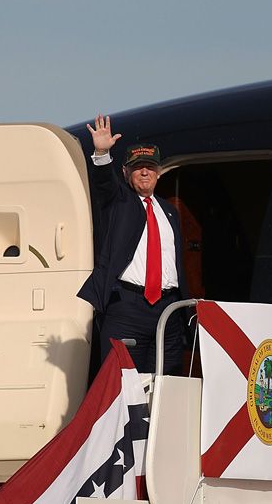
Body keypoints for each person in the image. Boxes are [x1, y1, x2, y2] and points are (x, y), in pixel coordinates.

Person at [77, 114, 188, 373]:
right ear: (126, 172)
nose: (145, 172)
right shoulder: (119, 201)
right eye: (138, 167)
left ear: (159, 172)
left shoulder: (169, 211)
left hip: (168, 308)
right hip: (128, 307)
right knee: (123, 381)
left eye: (150, 166)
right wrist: (102, 152)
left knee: (165, 380)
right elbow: (104, 182)